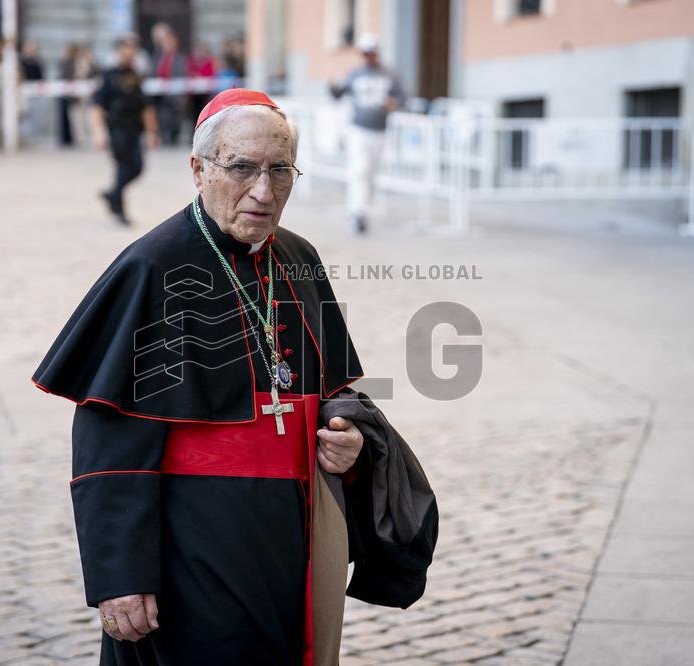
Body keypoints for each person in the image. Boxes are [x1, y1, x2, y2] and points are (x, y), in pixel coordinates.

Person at [32, 88, 437, 665]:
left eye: (280, 171)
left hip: (294, 535)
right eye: (242, 168)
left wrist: (346, 436)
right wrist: (120, 574)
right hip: (195, 539)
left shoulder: (298, 258)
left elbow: (327, 388)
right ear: (199, 169)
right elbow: (110, 439)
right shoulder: (151, 267)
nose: (264, 192)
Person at [329, 33, 405, 234]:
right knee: (359, 170)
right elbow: (339, 93)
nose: (368, 56)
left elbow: (401, 97)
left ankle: (363, 209)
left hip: (379, 130)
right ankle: (357, 212)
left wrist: (392, 103)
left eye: (371, 52)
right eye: (365, 53)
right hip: (359, 129)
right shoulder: (355, 74)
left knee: (371, 172)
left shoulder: (389, 74)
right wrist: (332, 87)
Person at [91, 36, 159, 226]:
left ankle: (113, 194)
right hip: (117, 129)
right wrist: (98, 132)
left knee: (137, 168)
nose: (130, 53)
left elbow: (145, 107)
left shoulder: (136, 76)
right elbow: (97, 106)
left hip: (134, 129)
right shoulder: (108, 75)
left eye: (133, 50)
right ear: (119, 52)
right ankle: (120, 210)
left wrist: (152, 132)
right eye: (126, 49)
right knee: (122, 168)